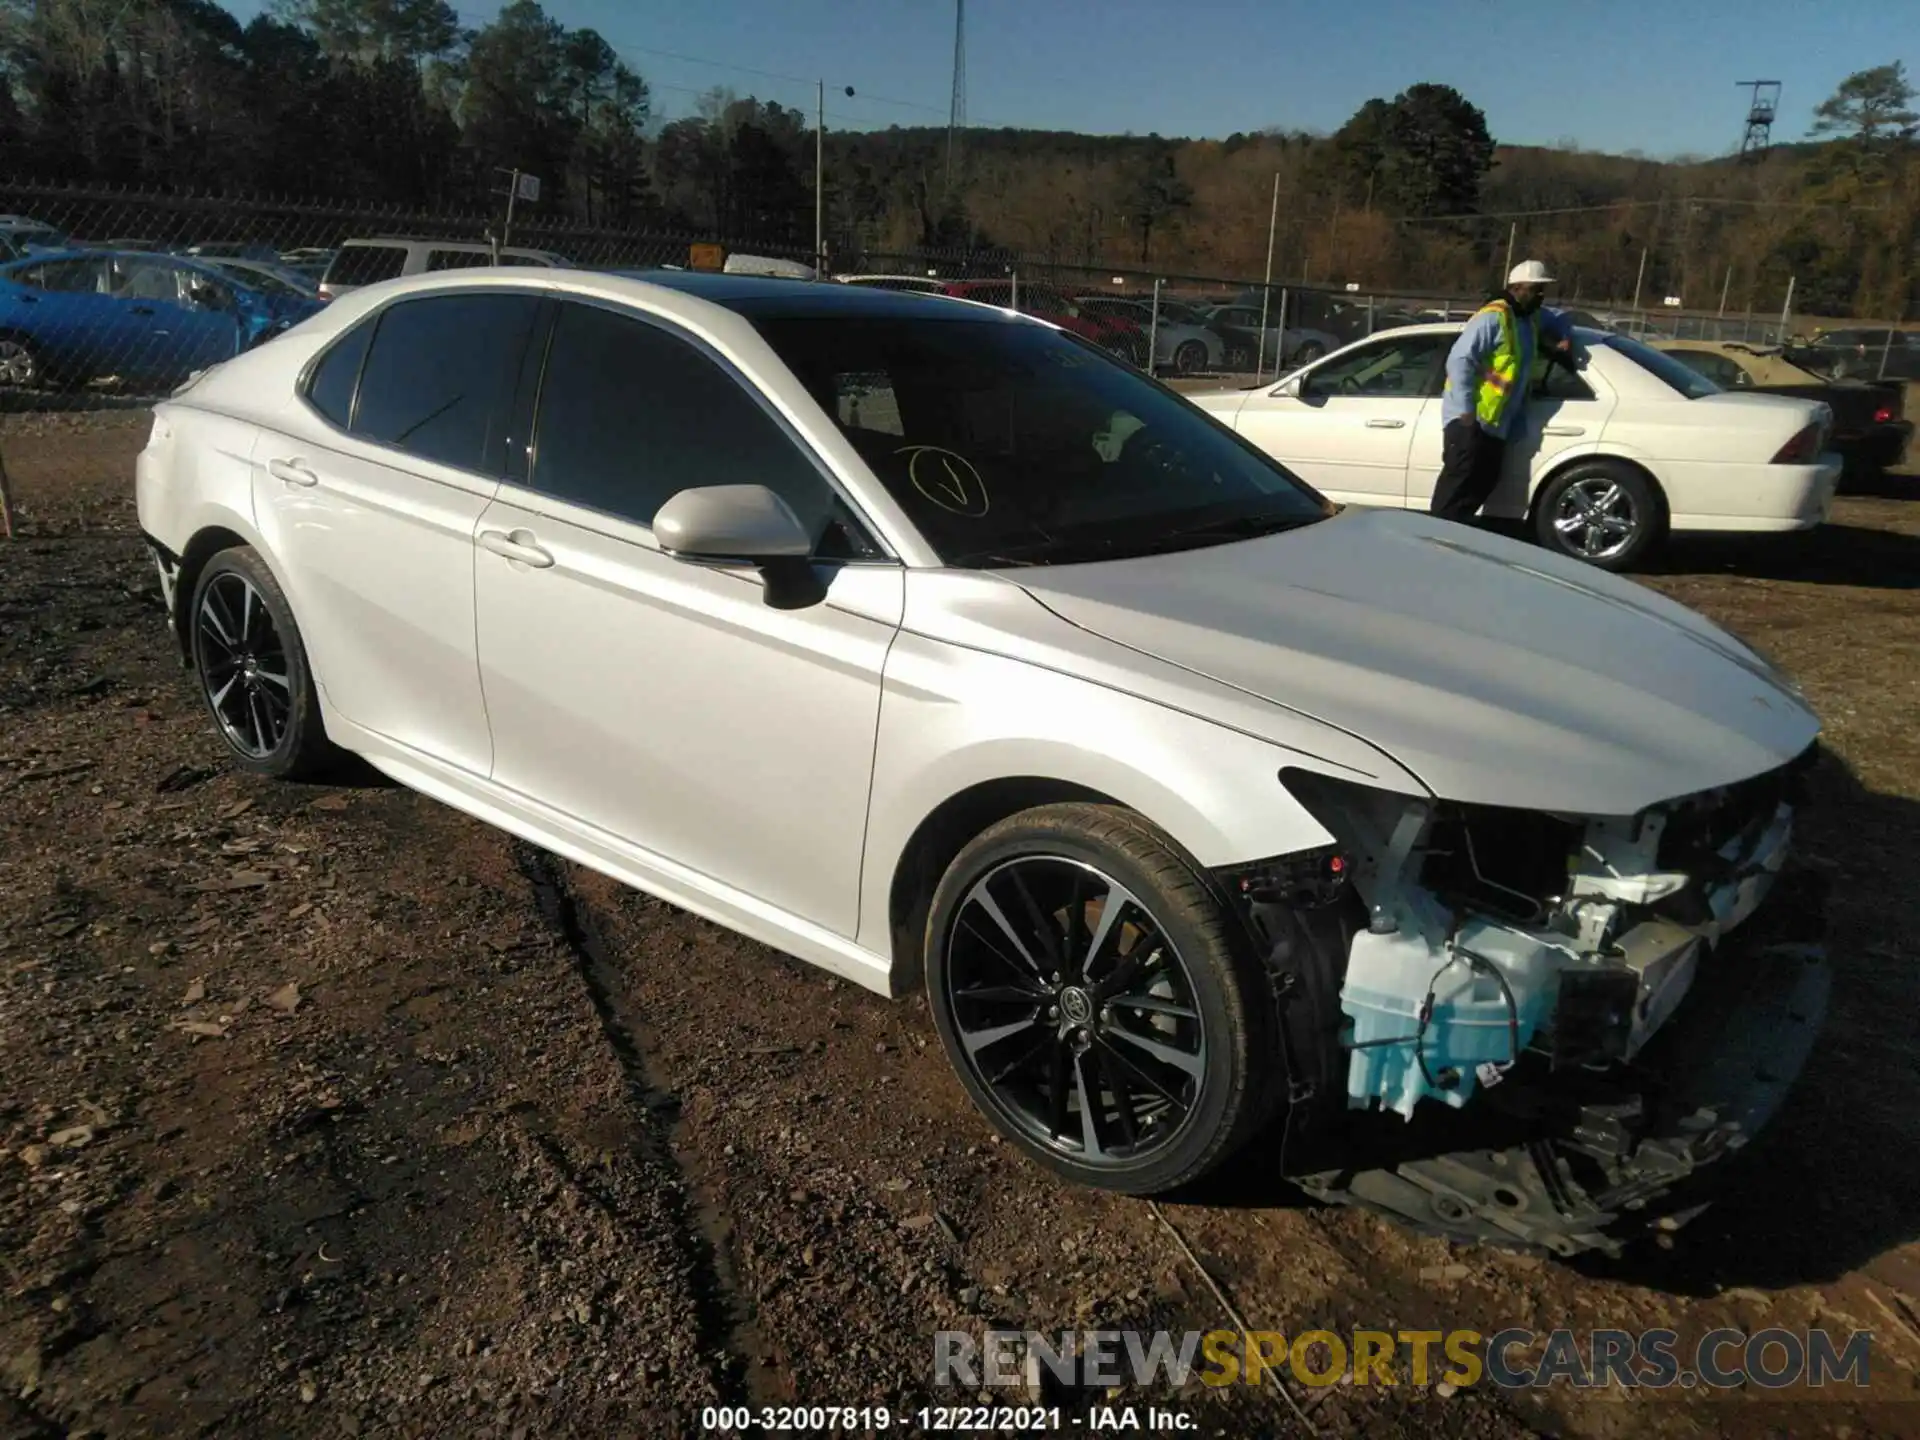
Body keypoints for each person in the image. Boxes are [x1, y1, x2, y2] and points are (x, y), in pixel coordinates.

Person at [1431, 260, 1581, 522]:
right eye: (1537, 290)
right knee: (1456, 488)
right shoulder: (1493, 317)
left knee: (1480, 486)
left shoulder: (1527, 318)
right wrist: (1465, 411)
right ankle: (1434, 539)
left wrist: (1563, 335)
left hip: (1497, 424)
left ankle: (1452, 537)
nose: (1542, 297)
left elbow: (1561, 317)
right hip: (1472, 421)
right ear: (1518, 288)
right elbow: (1459, 360)